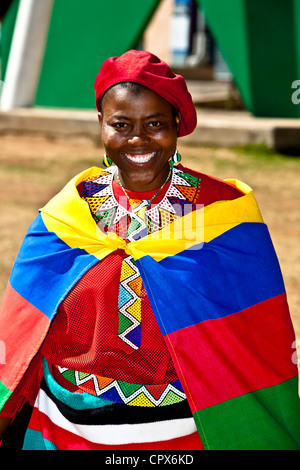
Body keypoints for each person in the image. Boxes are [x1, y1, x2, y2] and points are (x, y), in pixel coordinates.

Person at [0, 50, 299, 450]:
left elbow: (257, 339)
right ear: (102, 126)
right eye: (121, 124)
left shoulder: (221, 215)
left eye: (155, 123)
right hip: (64, 431)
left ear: (177, 125)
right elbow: (24, 327)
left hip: (184, 436)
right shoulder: (69, 212)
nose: (138, 139)